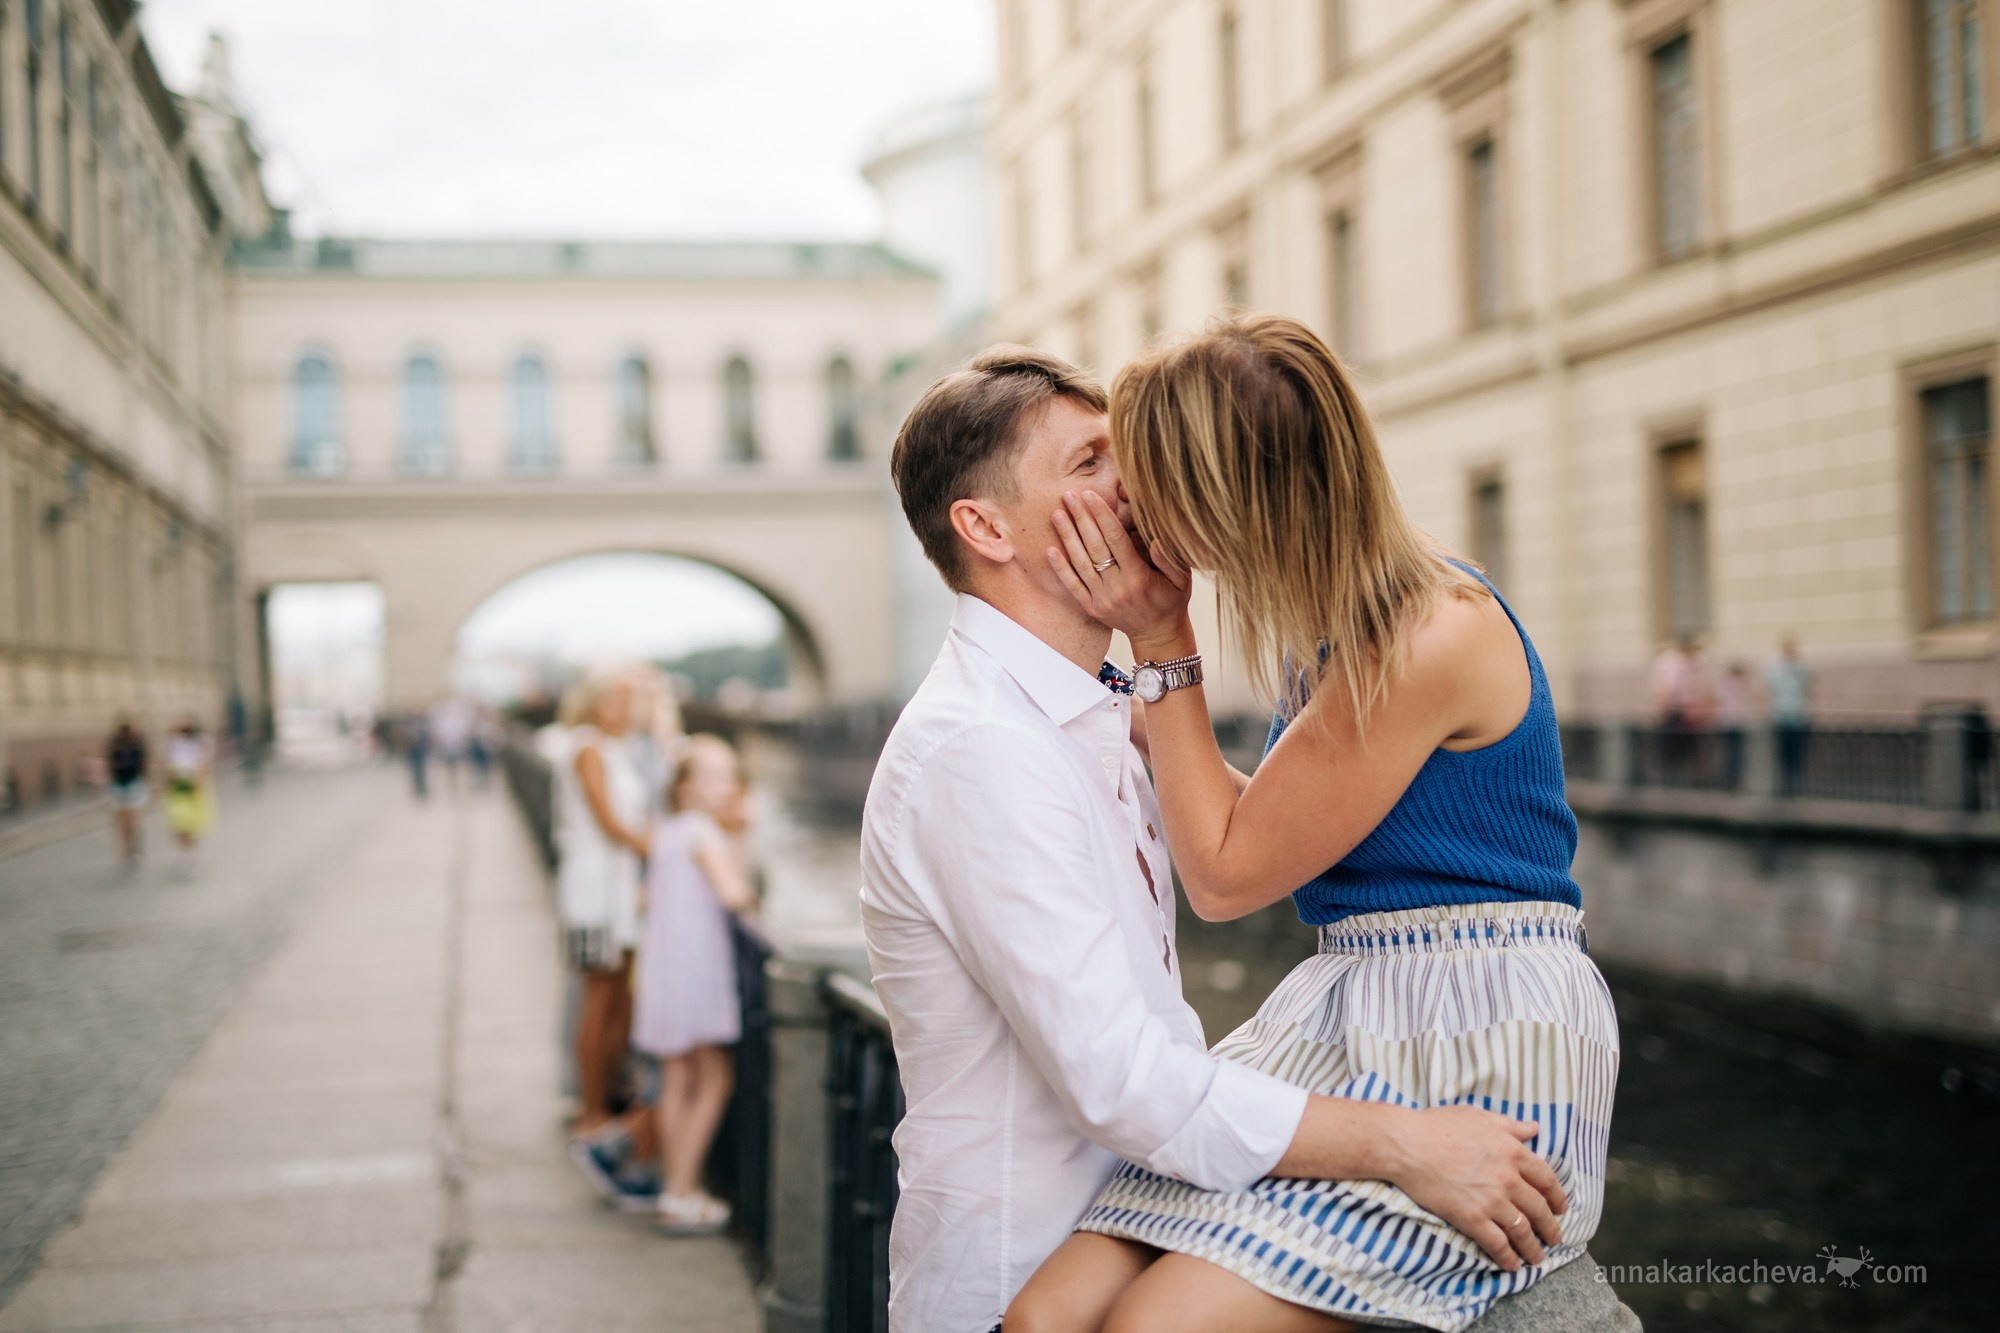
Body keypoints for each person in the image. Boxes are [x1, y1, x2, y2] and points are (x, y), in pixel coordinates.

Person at [864, 344, 1635, 1333]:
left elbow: (1230, 865)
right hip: (1346, 1020)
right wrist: (1153, 671)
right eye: (1093, 463)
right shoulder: (989, 742)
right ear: (984, 526)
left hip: (1471, 1029)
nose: (1128, 492)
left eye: (1134, 461)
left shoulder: (1420, 629)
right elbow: (1252, 845)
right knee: (1048, 1315)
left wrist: (1158, 653)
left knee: (1149, 1323)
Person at [632, 735, 757, 1234]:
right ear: (684, 788)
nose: (726, 785)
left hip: (664, 968)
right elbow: (736, 893)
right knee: (713, 1079)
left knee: (676, 1078)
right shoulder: (705, 832)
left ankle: (674, 1188)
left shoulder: (667, 830)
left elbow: (646, 900)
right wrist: (743, 837)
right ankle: (682, 1189)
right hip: (697, 970)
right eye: (714, 777)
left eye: (730, 775)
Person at [554, 669, 651, 1139]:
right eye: (614, 700)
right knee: (599, 997)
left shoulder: (615, 749)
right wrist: (661, 853)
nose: (624, 710)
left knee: (619, 996)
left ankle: (608, 1098)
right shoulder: (587, 745)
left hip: (618, 886)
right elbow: (608, 820)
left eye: (627, 701)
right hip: (594, 888)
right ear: (591, 703)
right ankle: (590, 1109)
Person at [162, 717, 214, 874]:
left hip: (193, 788)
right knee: (178, 822)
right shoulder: (173, 743)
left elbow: (205, 765)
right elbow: (167, 765)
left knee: (191, 823)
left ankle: (191, 853)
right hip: (177, 788)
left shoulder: (201, 742)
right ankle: (183, 851)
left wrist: (199, 784)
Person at [1763, 634, 1813, 796]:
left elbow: (1808, 685)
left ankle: (1796, 778)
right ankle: (1785, 779)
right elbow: (1768, 688)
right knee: (1783, 751)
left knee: (1799, 750)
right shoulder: (1775, 667)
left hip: (1798, 715)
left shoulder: (1800, 667)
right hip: (1781, 715)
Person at [106, 719, 149, 867]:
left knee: (133, 821)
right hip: (118, 787)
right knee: (121, 823)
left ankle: (135, 848)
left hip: (133, 786)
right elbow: (110, 766)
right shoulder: (114, 746)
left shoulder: (137, 747)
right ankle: (126, 852)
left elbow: (143, 766)